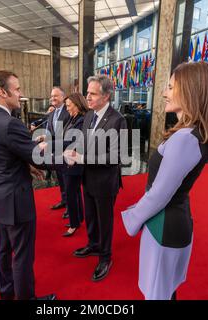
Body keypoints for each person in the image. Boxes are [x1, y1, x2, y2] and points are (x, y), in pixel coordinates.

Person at [121, 62, 208, 300]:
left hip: (164, 226)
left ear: (190, 90)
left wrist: (131, 217)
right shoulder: (191, 134)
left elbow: (159, 194)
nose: (164, 93)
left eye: (170, 87)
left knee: (158, 295)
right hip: (170, 223)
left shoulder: (186, 138)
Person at [0, 70, 55, 301]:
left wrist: (25, 166)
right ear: (2, 92)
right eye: (17, 89)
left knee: (2, 250)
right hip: (17, 202)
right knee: (22, 256)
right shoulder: (10, 124)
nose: (20, 94)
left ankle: (6, 294)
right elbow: (40, 158)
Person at [65, 75, 127, 282]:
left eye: (92, 93)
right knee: (90, 216)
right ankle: (93, 245)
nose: (87, 97)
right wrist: (75, 151)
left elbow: (118, 156)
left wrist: (83, 157)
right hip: (87, 177)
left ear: (106, 96)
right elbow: (83, 142)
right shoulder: (90, 115)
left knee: (105, 221)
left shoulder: (118, 119)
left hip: (105, 181)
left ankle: (105, 257)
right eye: (87, 92)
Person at [60, 93, 88, 237]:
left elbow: (71, 142)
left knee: (71, 193)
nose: (67, 108)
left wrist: (51, 145)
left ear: (77, 105)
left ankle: (74, 223)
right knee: (75, 192)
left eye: (68, 105)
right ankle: (78, 218)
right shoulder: (73, 118)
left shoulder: (81, 120)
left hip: (74, 162)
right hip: (70, 160)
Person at [46, 87, 70, 215]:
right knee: (60, 178)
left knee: (68, 181)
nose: (53, 98)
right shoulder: (52, 113)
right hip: (56, 152)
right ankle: (64, 201)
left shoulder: (69, 111)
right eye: (51, 96)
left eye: (55, 96)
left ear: (63, 97)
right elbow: (50, 132)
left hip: (67, 152)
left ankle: (70, 207)